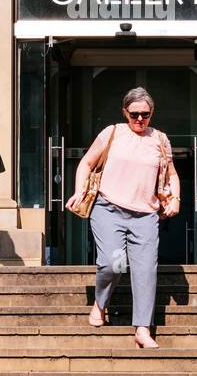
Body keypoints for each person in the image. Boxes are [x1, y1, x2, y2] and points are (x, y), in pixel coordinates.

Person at [67, 86, 180, 350]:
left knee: (145, 271)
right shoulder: (113, 132)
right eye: (134, 114)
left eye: (145, 114)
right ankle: (100, 303)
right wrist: (79, 190)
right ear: (125, 112)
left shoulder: (160, 140)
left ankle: (142, 328)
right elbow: (86, 163)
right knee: (112, 263)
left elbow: (172, 175)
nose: (140, 119)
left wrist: (175, 198)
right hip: (109, 208)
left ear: (152, 114)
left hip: (145, 214)